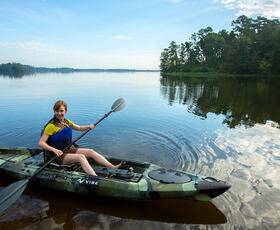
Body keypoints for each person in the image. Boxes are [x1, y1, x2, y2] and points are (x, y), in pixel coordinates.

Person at [38, 100, 122, 176]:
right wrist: (55, 150)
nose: (59, 113)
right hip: (57, 156)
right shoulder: (51, 126)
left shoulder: (66, 122)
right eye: (57, 111)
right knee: (81, 157)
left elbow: (79, 128)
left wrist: (89, 126)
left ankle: (112, 167)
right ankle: (95, 178)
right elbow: (41, 143)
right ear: (54, 111)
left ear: (65, 111)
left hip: (68, 149)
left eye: (61, 111)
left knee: (90, 151)